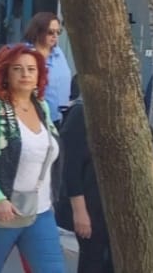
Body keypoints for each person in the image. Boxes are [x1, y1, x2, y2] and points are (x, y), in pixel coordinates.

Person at [0, 44, 64, 272]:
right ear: (5, 73)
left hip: (40, 208)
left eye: (31, 69)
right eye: (17, 68)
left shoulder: (41, 106)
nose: (25, 74)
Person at [56, 97, 114, 272]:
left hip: (115, 207)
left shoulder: (129, 110)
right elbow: (70, 166)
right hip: (91, 204)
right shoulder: (81, 112)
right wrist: (79, 211)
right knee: (93, 259)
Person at [23, 12, 72, 126]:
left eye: (58, 32)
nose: (55, 36)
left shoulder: (58, 52)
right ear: (38, 31)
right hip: (36, 118)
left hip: (61, 118)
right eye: (50, 32)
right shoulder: (26, 55)